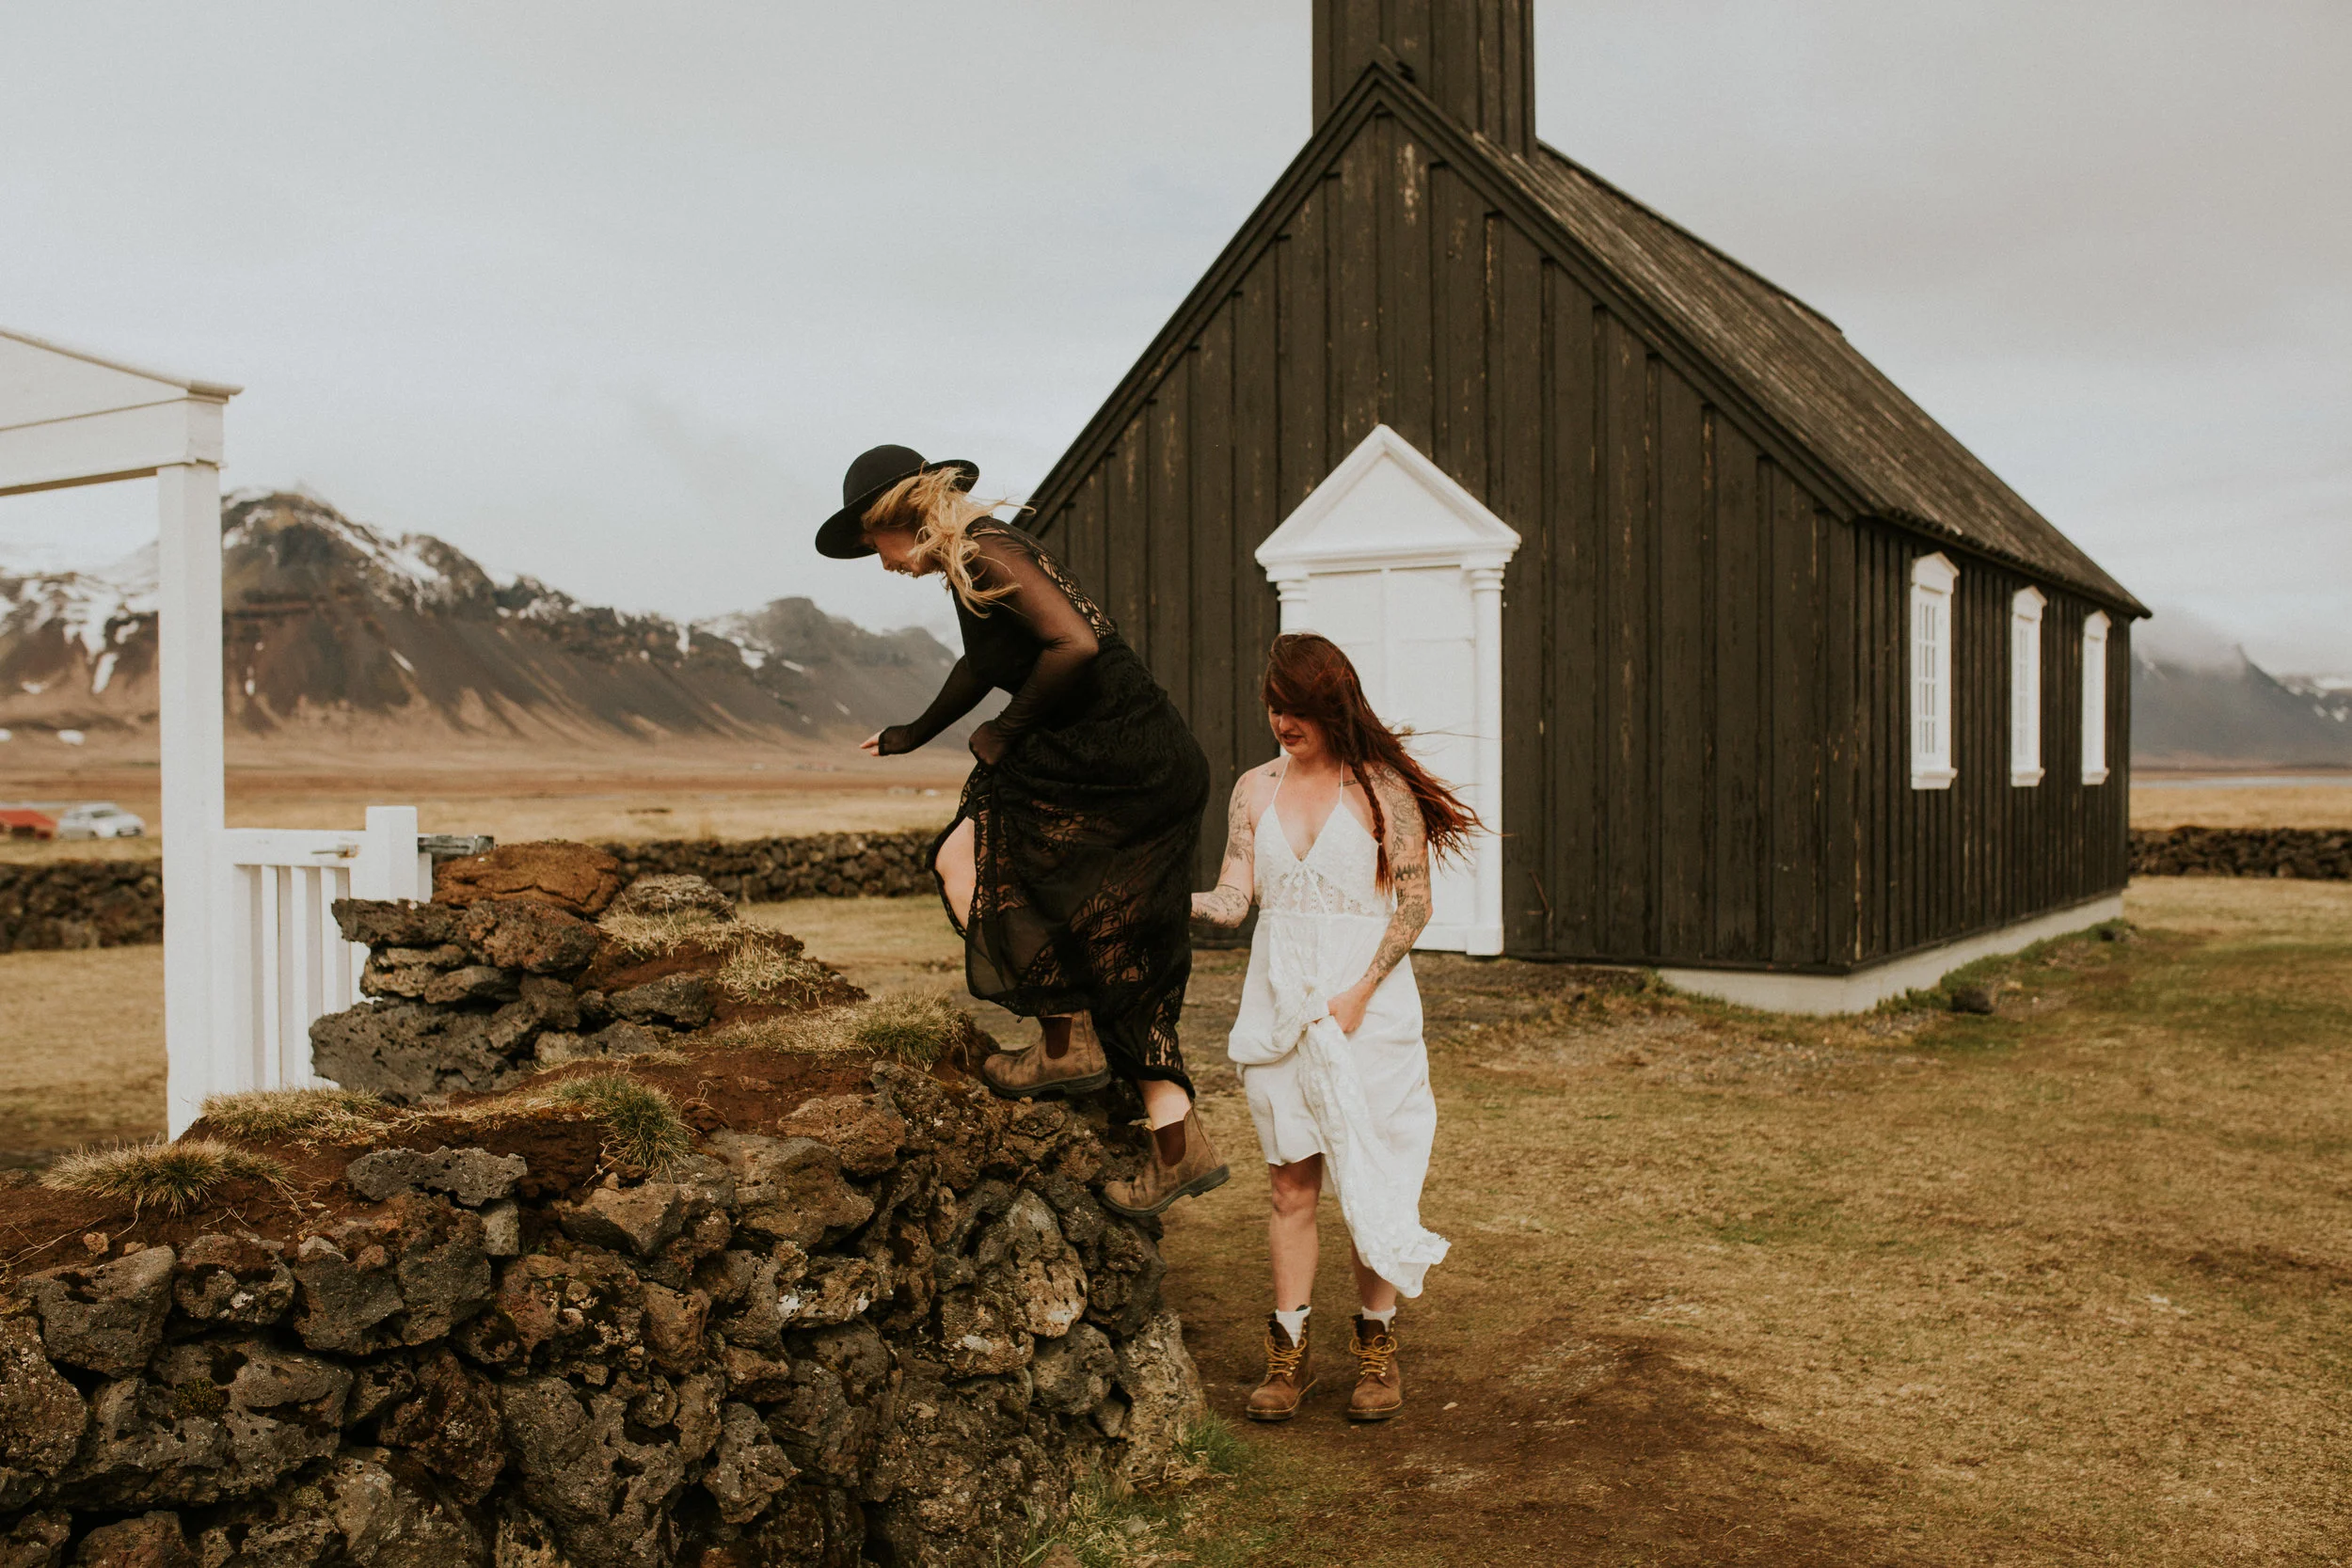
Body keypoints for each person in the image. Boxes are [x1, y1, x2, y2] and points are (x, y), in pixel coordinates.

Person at [816, 443, 1226, 1217]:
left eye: (875, 544)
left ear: (896, 517)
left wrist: (1006, 731)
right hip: (1125, 757)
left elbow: (1075, 642)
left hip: (1115, 759)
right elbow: (987, 660)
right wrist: (916, 728)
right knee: (1111, 939)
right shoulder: (977, 560)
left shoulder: (983, 549)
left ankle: (1067, 1040)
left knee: (975, 861)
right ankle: (1171, 1141)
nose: (880, 562)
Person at [1192, 632, 1474, 1423]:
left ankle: (1377, 1348)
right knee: (1290, 1185)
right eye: (1275, 705)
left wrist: (1359, 992)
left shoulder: (1383, 790)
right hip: (1281, 1006)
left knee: (1370, 1182)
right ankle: (1288, 1359)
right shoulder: (1254, 790)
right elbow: (1233, 897)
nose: (1283, 720)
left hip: (1369, 1013)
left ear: (1332, 704)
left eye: (1299, 707)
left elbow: (1415, 902)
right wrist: (1166, 900)